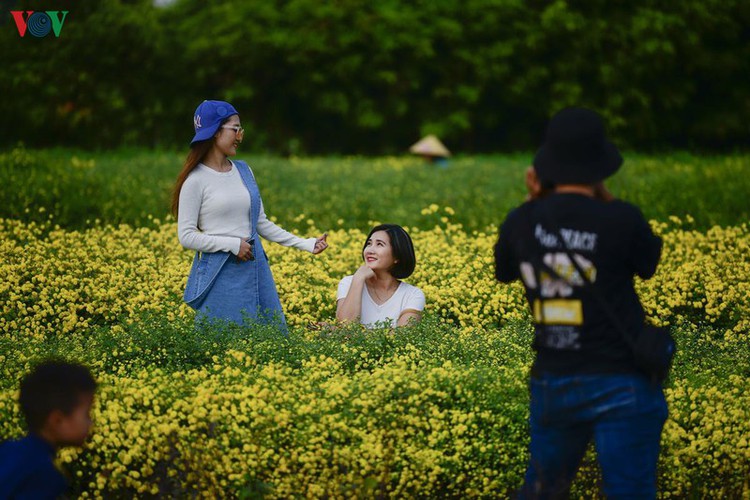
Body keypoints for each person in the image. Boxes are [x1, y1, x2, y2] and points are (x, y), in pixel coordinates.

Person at [494, 107, 667, 498]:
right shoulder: (621, 218)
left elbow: (504, 271)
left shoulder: (522, 220)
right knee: (630, 492)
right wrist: (603, 201)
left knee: (542, 492)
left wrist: (535, 204)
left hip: (555, 378)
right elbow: (648, 263)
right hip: (622, 377)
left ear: (545, 165)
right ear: (600, 167)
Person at [172, 100, 329, 328]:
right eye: (235, 129)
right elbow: (186, 236)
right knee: (223, 342)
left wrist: (306, 243)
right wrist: (232, 244)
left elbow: (261, 223)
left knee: (269, 338)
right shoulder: (195, 181)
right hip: (219, 272)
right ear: (215, 132)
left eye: (240, 130)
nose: (240, 136)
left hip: (255, 269)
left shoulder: (244, 171)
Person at [0, 360, 96, 499]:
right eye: (87, 413)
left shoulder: (9, 449)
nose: (91, 422)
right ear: (57, 420)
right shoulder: (44, 475)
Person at [336, 224, 425, 328]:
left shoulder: (412, 295)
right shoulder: (349, 283)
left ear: (397, 256)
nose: (370, 250)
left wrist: (356, 334)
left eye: (379, 244)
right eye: (369, 244)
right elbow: (345, 327)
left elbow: (403, 336)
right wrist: (358, 279)